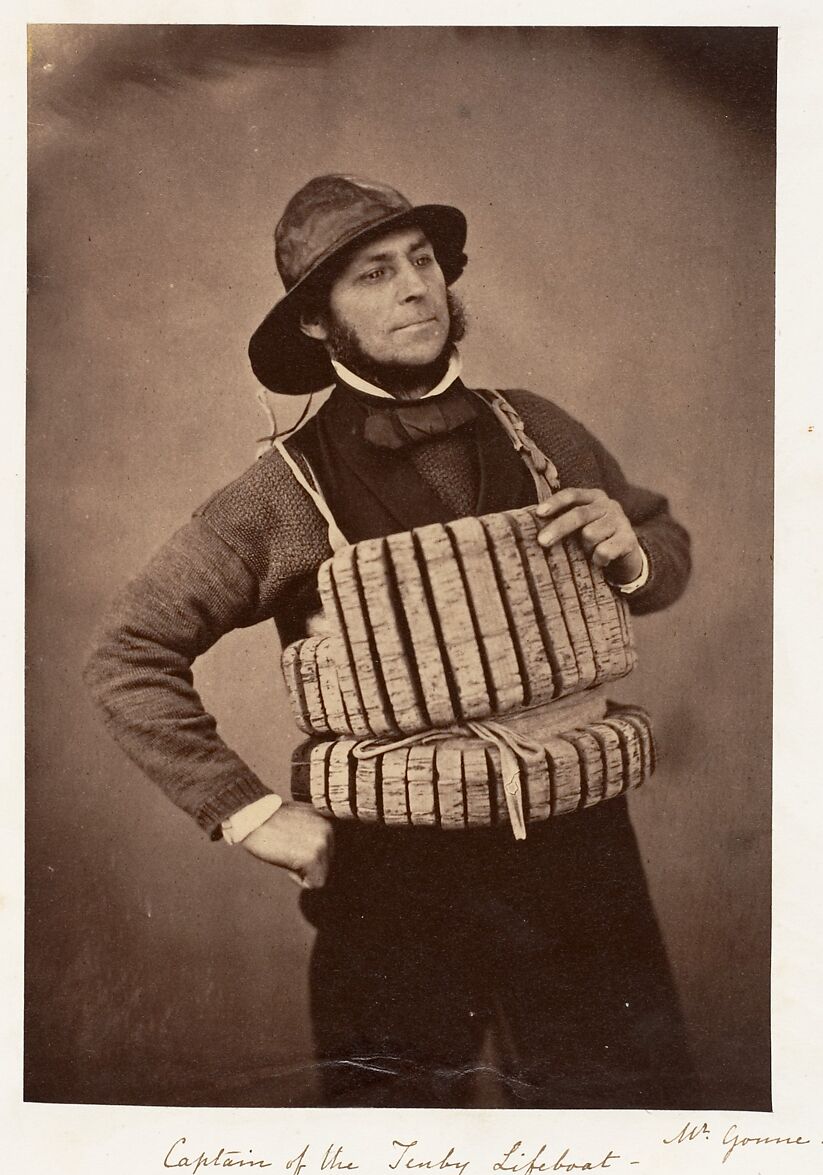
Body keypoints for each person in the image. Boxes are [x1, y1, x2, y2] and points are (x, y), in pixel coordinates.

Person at [84, 173, 696, 1108]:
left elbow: (664, 550)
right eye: (373, 274)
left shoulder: (537, 429)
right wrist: (245, 812)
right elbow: (127, 655)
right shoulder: (284, 490)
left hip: (581, 855)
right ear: (318, 325)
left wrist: (632, 549)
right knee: (390, 1142)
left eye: (421, 262)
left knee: (632, 1122)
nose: (415, 287)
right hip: (395, 884)